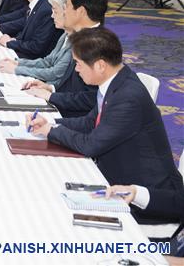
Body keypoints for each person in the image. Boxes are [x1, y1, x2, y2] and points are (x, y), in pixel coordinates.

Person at [28, 28, 184, 225]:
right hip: (117, 174)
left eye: (78, 64)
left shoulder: (128, 97)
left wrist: (52, 131)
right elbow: (90, 122)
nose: (76, 69)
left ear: (100, 65)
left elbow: (91, 145)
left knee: (53, 213)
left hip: (144, 196)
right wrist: (51, 123)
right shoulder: (115, 82)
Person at [20, 0, 108, 117]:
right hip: (68, 108)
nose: (64, 11)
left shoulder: (97, 45)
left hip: (78, 119)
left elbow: (90, 99)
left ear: (81, 12)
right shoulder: (83, 37)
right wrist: (51, 88)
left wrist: (51, 96)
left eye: (66, 6)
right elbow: (75, 86)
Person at [0, 0, 71, 85]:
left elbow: (54, 73)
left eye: (56, 12)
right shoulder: (65, 35)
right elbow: (47, 62)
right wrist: (19, 63)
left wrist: (17, 69)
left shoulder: (76, 40)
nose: (52, 16)